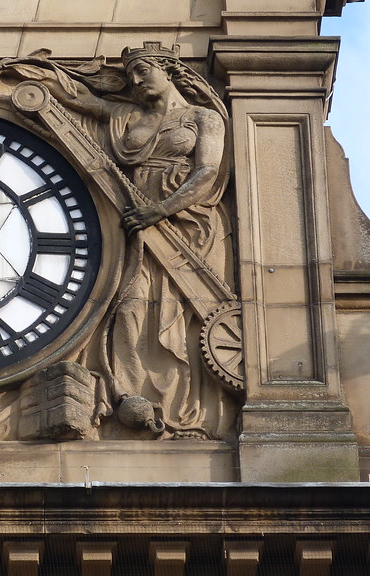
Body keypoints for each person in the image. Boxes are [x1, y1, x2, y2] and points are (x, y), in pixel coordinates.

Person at [66, 43, 236, 439]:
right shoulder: (128, 116)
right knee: (127, 308)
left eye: (144, 71)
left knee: (177, 314)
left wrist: (161, 210)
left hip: (184, 227)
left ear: (169, 70)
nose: (138, 81)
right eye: (131, 77)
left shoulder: (202, 117)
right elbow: (83, 101)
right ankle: (130, 393)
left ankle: (182, 409)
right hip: (131, 223)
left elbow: (207, 172)